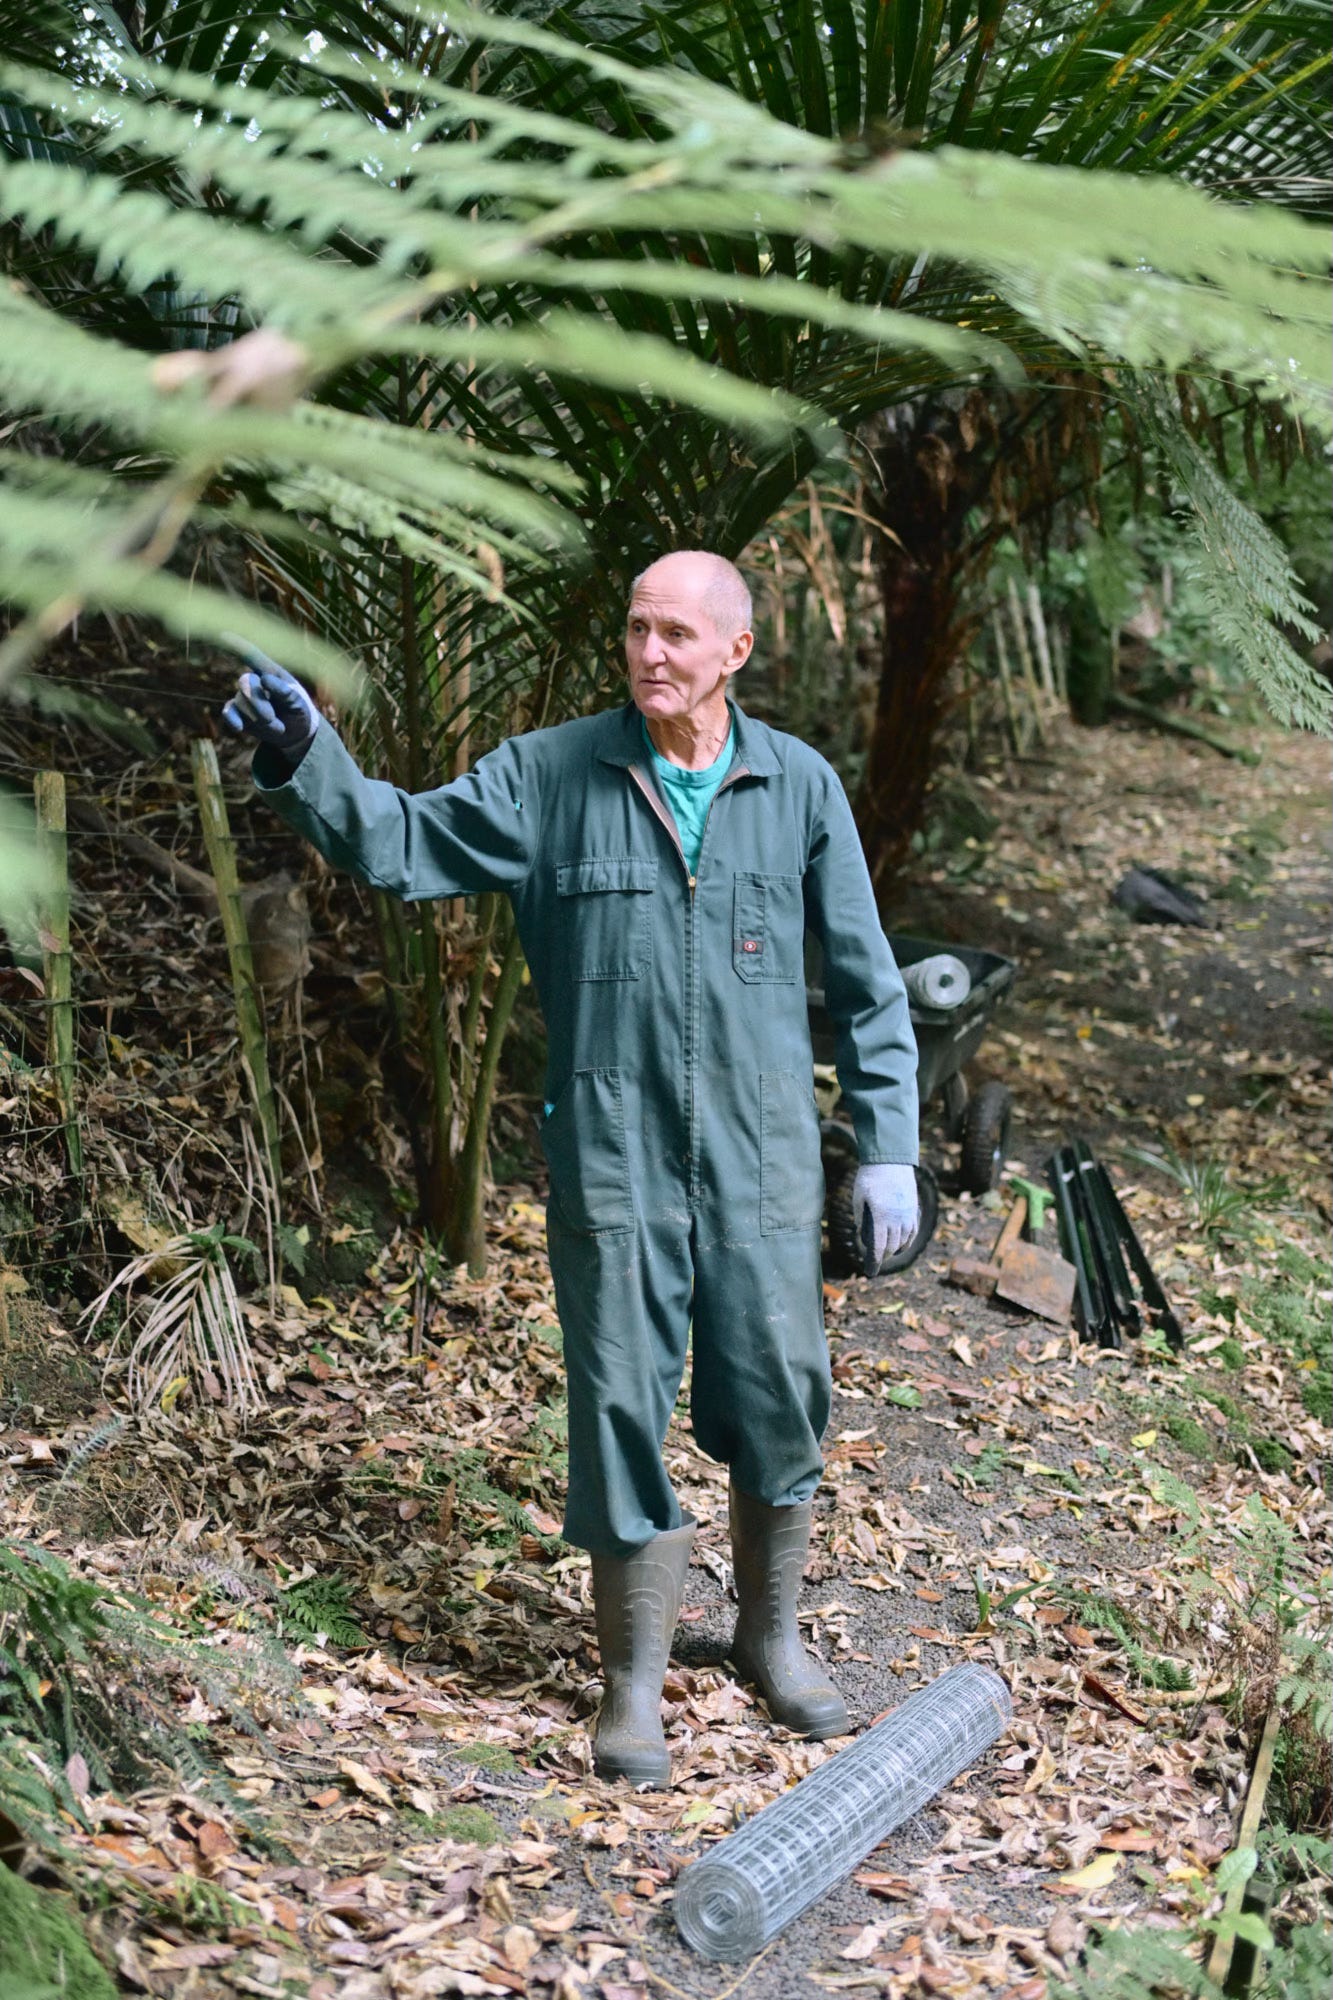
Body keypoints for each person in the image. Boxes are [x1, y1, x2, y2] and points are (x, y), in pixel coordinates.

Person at [223, 550, 919, 1785]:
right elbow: (401, 841)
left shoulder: (799, 785)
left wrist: (891, 1147)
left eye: (676, 635)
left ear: (735, 651)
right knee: (616, 1400)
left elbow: (867, 983)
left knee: (781, 1388)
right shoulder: (550, 772)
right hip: (612, 1149)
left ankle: (770, 1636)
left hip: (762, 1154)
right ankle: (632, 1680)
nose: (649, 653)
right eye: (637, 628)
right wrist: (305, 758)